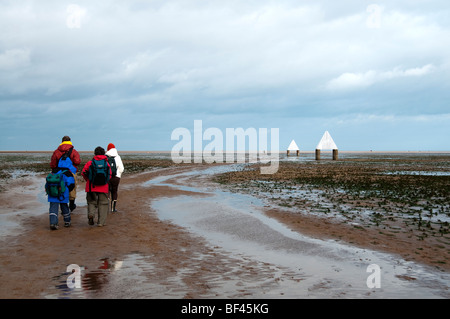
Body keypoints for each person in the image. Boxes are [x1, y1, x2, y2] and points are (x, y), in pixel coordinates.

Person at [81, 146, 112, 227]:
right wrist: (105, 182)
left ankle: (91, 214)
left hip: (91, 186)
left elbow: (83, 172)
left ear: (95, 153)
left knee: (91, 202)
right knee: (103, 204)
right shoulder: (106, 163)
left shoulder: (90, 163)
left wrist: (88, 180)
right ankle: (101, 222)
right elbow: (110, 175)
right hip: (103, 187)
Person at [50, 136, 81, 212]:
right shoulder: (73, 151)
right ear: (70, 141)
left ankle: (63, 205)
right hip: (71, 172)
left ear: (62, 141)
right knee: (72, 188)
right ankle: (71, 204)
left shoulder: (57, 151)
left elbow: (53, 164)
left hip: (59, 173)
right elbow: (77, 161)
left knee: (60, 187)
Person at [105, 143, 125, 212]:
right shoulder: (118, 157)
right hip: (116, 177)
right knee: (114, 191)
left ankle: (106, 208)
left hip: (107, 177)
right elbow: (122, 168)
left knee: (107, 191)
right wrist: (118, 174)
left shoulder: (105, 156)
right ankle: (113, 209)